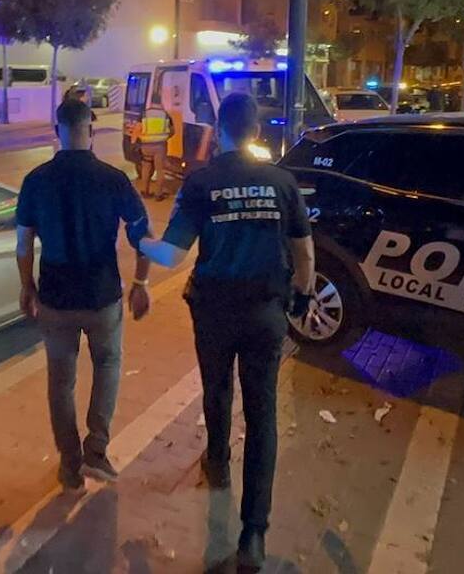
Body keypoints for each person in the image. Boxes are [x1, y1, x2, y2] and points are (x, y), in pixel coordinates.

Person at [138, 92, 315, 572]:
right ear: (256, 131)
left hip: (214, 311)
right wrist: (302, 294)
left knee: (217, 392)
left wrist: (140, 241)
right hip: (265, 314)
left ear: (219, 129)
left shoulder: (202, 182)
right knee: (262, 417)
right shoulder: (282, 182)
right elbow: (304, 253)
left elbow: (172, 256)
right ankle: (253, 536)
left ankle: (217, 463)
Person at [16, 98, 152, 490]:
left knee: (61, 381)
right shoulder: (113, 178)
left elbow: (24, 245)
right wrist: (141, 283)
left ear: (56, 131)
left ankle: (70, 464)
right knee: (108, 366)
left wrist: (27, 287)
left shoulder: (36, 181)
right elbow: (143, 235)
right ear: (90, 130)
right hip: (102, 296)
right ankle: (97, 448)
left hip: (55, 298)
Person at [137, 101, 174, 200]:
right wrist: (165, 137)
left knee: (146, 168)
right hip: (159, 147)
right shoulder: (165, 115)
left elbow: (138, 128)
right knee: (160, 170)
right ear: (161, 103)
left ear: (151, 103)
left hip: (146, 146)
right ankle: (158, 194)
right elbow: (172, 130)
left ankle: (145, 191)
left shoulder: (144, 114)